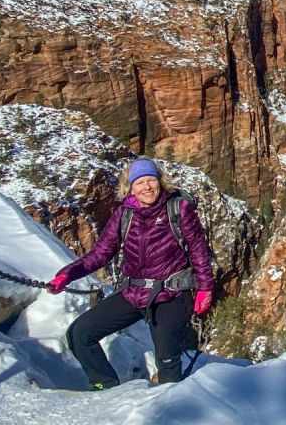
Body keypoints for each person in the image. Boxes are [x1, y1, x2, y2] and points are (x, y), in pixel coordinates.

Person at [48, 157, 215, 389]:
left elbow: (198, 250)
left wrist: (205, 288)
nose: (147, 187)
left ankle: (172, 404)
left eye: (151, 180)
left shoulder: (178, 208)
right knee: (80, 334)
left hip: (171, 293)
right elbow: (101, 253)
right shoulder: (124, 215)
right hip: (133, 292)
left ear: (160, 181)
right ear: (131, 188)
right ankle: (104, 386)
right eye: (140, 182)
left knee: (166, 357)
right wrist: (67, 274)